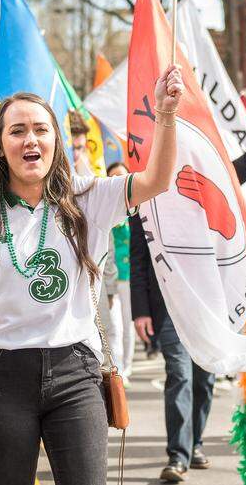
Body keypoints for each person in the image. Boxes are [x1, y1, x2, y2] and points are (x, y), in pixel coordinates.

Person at [0, 67, 183, 485]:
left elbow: (157, 180)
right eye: (17, 131)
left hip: (75, 371)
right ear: (0, 148)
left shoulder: (90, 197)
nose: (30, 139)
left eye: (41, 129)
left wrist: (165, 116)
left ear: (56, 141)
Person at [130, 85, 246, 481]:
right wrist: (140, 310)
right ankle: (177, 455)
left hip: (212, 302)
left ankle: (194, 443)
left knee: (203, 375)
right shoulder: (143, 188)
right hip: (168, 306)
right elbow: (139, 258)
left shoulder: (212, 181)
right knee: (179, 373)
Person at [106, 162, 135, 384]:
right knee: (114, 325)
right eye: (113, 176)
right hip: (112, 276)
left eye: (122, 176)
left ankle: (127, 366)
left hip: (130, 274)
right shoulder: (105, 208)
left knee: (128, 323)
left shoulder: (136, 209)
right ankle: (117, 368)